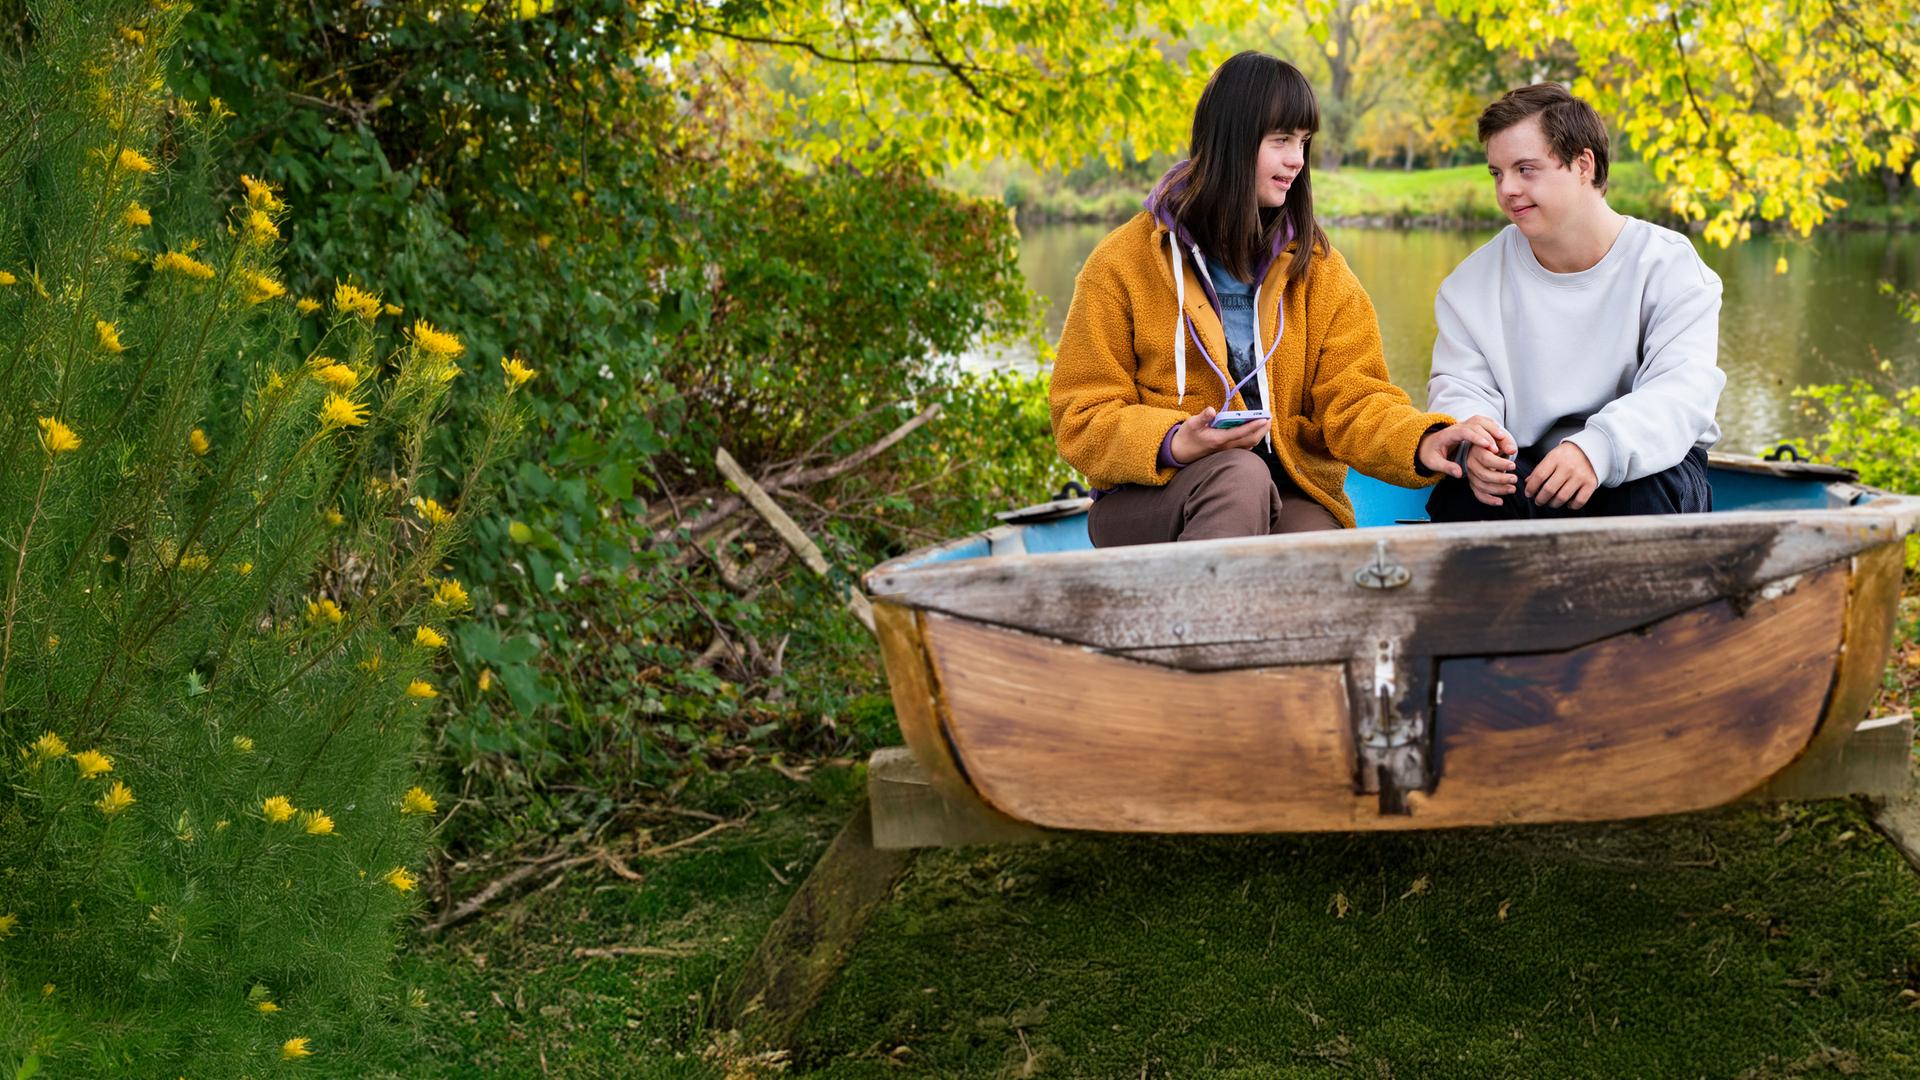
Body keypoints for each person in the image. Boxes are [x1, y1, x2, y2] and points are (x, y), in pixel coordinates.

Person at [1048, 51, 1511, 548]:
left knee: (1314, 545)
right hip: (1149, 498)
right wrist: (1178, 440)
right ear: (1231, 141)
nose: (1298, 160)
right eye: (1282, 141)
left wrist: (1424, 440)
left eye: (1304, 142)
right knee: (1239, 477)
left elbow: (1355, 400)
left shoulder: (1318, 268)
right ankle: (1199, 623)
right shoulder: (1122, 262)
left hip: (1286, 490)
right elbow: (1082, 415)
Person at [1424, 82, 1724, 522]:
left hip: (1649, 466)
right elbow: (1461, 385)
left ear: (1583, 164)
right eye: (1496, 173)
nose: (1506, 189)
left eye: (1526, 169)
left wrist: (1596, 449)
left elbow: (1681, 393)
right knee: (1467, 493)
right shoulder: (1470, 284)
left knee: (1641, 492)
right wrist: (1476, 444)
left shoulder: (1669, 266)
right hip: (1529, 466)